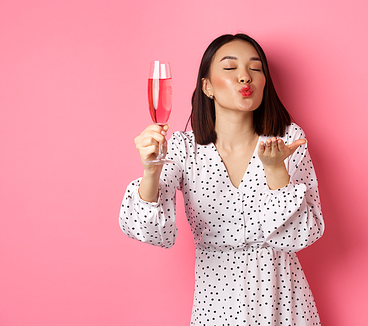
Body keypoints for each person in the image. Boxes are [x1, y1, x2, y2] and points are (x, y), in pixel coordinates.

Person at [119, 33, 325, 326]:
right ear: (207, 86)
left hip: (283, 303)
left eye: (255, 69)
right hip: (216, 304)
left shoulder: (289, 140)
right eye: (230, 69)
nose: (245, 77)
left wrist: (276, 170)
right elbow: (150, 231)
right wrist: (151, 170)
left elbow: (305, 234)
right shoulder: (182, 149)